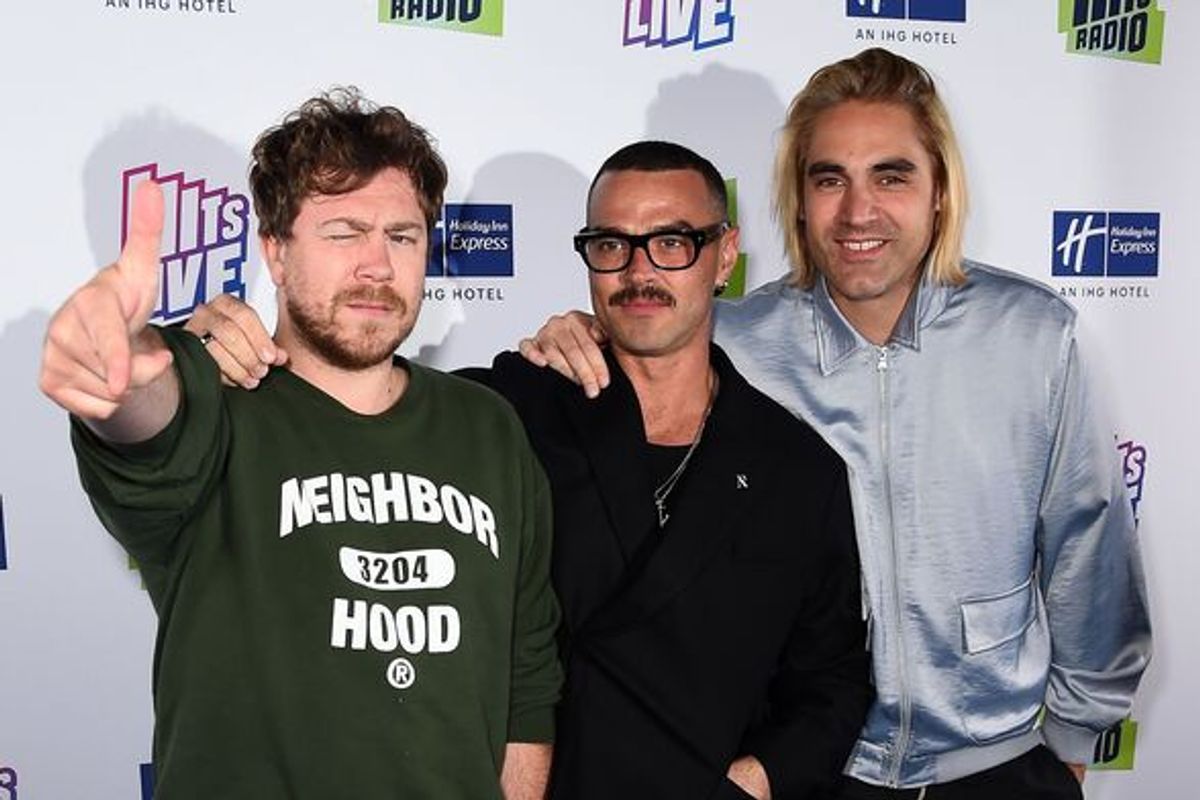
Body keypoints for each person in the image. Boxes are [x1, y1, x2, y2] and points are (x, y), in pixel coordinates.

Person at [520, 49, 1152, 799]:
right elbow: (646, 319)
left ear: (940, 191)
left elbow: (1090, 544)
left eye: (891, 175)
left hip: (998, 766)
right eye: (829, 180)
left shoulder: (1032, 335)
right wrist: (573, 336)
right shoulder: (731, 345)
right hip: (812, 770)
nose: (858, 212)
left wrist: (1072, 744)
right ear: (796, 201)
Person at [187, 141, 873, 799]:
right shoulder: (509, 409)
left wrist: (749, 783)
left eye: (672, 243)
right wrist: (213, 352)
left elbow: (834, 683)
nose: (640, 273)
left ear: (723, 256)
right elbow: (348, 398)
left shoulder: (798, 468)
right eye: (611, 246)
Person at [39, 89, 561, 799]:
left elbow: (526, 681)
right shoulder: (212, 397)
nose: (378, 266)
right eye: (344, 233)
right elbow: (142, 419)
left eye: (402, 237)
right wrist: (116, 369)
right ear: (276, 254)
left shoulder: (488, 427)